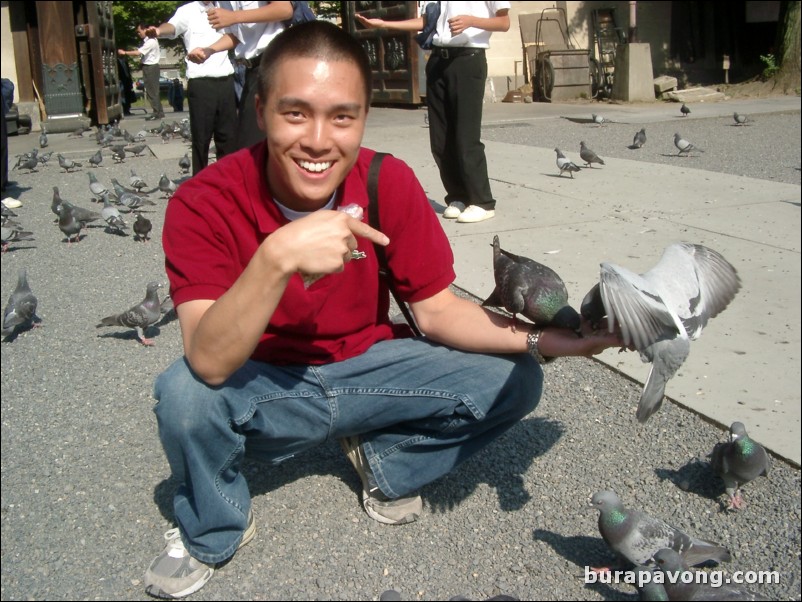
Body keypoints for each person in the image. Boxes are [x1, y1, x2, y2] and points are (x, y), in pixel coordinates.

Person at [147, 20, 624, 599]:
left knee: (515, 380)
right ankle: (216, 523)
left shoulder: (385, 180)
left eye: (342, 116)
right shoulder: (205, 201)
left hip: (369, 368)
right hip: (266, 384)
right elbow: (210, 361)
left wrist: (548, 342)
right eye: (295, 113)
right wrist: (276, 259)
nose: (320, 140)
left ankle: (384, 460)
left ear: (364, 117)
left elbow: (438, 313)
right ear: (261, 108)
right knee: (185, 395)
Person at [356, 2, 510, 224]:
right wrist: (384, 23)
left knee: (465, 137)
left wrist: (471, 21)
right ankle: (458, 196)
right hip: (438, 59)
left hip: (468, 59)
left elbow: (504, 22)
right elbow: (427, 22)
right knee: (440, 138)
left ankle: (482, 202)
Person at [186, 1, 293, 150]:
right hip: (250, 69)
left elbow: (284, 9)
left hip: (276, 62)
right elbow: (236, 36)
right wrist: (210, 50)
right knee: (249, 141)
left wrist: (234, 17)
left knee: (251, 142)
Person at [146, 2, 238, 174]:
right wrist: (158, 31)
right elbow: (172, 26)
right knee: (201, 139)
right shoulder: (187, 11)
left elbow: (236, 35)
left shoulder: (227, 6)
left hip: (226, 79)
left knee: (228, 138)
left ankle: (228, 181)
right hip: (200, 81)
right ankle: (200, 182)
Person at [118, 23, 164, 120]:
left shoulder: (150, 41)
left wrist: (124, 52)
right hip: (150, 66)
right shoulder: (150, 41)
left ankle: (157, 112)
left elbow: (138, 52)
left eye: (139, 32)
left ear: (145, 30)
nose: (138, 34)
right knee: (153, 90)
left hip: (150, 67)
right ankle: (159, 111)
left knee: (152, 90)